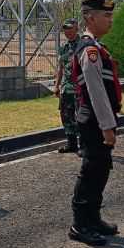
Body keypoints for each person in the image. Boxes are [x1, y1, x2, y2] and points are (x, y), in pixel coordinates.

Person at [68, 0, 122, 246]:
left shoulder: (96, 47)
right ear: (90, 18)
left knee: (100, 169)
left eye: (111, 16)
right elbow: (96, 92)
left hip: (96, 120)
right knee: (91, 171)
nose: (111, 20)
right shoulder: (89, 50)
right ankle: (80, 224)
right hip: (94, 121)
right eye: (106, 16)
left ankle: (93, 217)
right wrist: (107, 126)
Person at [54, 18, 81, 154]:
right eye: (65, 30)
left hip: (80, 88)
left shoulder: (83, 45)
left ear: (77, 28)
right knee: (66, 116)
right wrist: (57, 85)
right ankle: (71, 144)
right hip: (66, 88)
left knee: (81, 117)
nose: (67, 32)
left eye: (70, 29)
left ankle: (84, 145)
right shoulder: (64, 48)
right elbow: (61, 68)